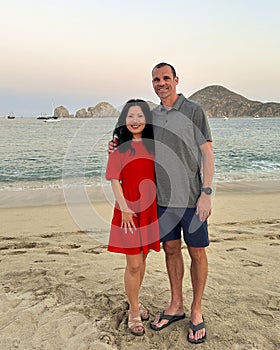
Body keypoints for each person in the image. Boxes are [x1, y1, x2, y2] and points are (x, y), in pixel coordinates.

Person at [109, 63, 214, 344]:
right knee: (170, 251)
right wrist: (115, 143)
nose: (161, 83)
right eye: (156, 79)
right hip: (163, 200)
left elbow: (207, 153)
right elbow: (135, 140)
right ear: (152, 83)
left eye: (166, 78)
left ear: (176, 80)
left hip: (192, 198)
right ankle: (176, 305)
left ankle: (196, 310)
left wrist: (207, 192)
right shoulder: (151, 116)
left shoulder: (194, 110)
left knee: (198, 253)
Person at [106, 99, 160, 336]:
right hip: (127, 210)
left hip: (150, 211)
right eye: (130, 116)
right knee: (134, 263)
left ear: (146, 119)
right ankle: (134, 310)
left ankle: (134, 301)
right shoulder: (119, 148)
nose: (135, 121)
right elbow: (114, 180)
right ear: (124, 120)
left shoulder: (154, 145)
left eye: (139, 116)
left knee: (143, 258)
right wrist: (125, 208)